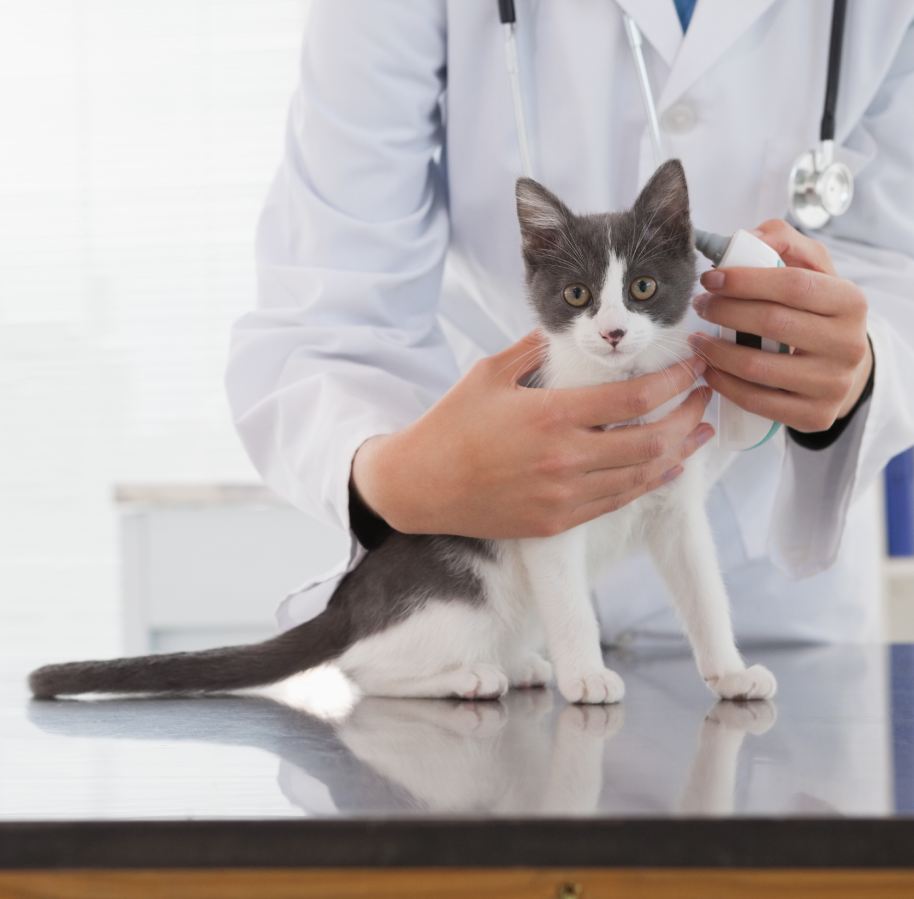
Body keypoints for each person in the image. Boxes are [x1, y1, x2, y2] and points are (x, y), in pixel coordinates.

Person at [225, 1, 914, 647]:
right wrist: (397, 477)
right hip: (484, 578)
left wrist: (863, 363)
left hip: (765, 596)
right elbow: (331, 300)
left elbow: (897, 262)